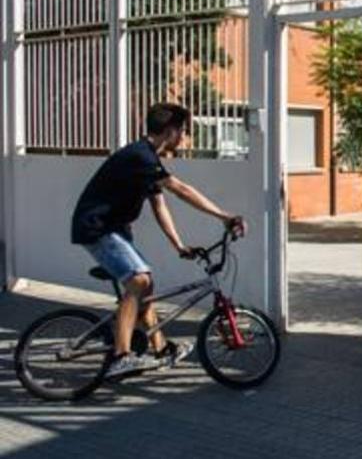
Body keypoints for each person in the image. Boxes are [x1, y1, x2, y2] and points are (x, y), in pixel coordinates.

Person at [70, 103, 247, 378]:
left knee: (146, 288)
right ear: (170, 130)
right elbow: (181, 190)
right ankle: (120, 356)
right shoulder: (141, 157)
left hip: (114, 229)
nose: (184, 138)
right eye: (183, 131)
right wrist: (224, 216)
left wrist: (178, 245)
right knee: (139, 280)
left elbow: (159, 205)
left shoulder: (147, 161)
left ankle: (161, 349)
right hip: (97, 228)